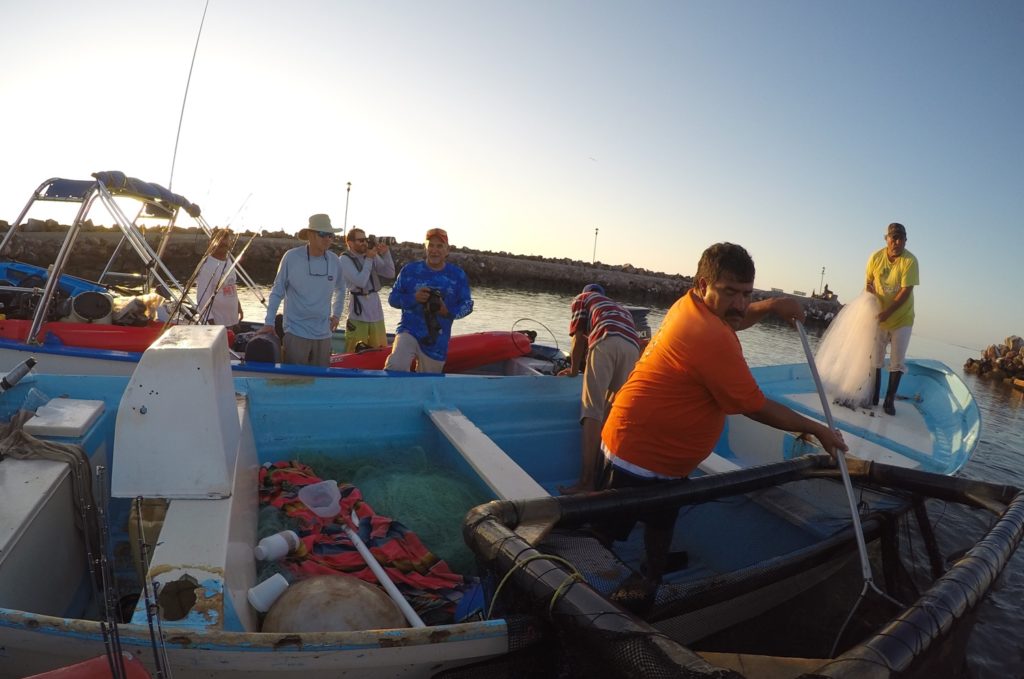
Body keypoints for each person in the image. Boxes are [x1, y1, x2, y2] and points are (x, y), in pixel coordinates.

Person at [599, 242, 848, 592]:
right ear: (703, 285)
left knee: (662, 517)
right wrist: (815, 428)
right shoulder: (711, 337)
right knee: (602, 535)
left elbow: (737, 316)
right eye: (730, 292)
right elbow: (754, 405)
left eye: (747, 293)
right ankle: (592, 593)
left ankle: (651, 573)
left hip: (663, 458)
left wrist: (773, 304)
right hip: (637, 453)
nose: (740, 304)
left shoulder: (693, 306)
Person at [558, 283, 641, 494]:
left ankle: (586, 481)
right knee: (613, 414)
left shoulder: (582, 298)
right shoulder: (620, 308)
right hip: (633, 349)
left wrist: (574, 370)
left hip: (606, 339)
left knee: (592, 410)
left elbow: (578, 339)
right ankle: (605, 481)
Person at [258, 214, 345, 367]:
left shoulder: (334, 261)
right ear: (310, 235)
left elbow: (341, 289)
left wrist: (336, 315)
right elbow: (277, 291)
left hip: (324, 334)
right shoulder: (291, 258)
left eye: (330, 235)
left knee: (320, 383)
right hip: (296, 332)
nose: (328, 239)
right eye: (323, 234)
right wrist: (269, 322)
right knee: (294, 384)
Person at [384, 228, 473, 373]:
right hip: (409, 330)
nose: (434, 250)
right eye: (431, 245)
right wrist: (414, 298)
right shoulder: (410, 270)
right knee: (396, 366)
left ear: (447, 250)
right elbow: (393, 299)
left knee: (428, 382)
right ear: (425, 247)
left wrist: (447, 311)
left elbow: (467, 305)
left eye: (439, 246)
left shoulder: (457, 275)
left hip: (437, 339)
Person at [865, 222, 919, 415]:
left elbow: (906, 291)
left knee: (897, 361)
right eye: (893, 238)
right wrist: (871, 296)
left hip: (901, 319)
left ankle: (889, 400)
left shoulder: (910, 261)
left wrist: (887, 313)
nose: (896, 242)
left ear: (905, 240)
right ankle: (873, 395)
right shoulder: (876, 257)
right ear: (886, 239)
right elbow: (869, 282)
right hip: (879, 316)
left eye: (900, 239)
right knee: (876, 357)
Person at [338, 227, 396, 352]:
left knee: (379, 349)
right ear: (350, 243)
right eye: (360, 240)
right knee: (355, 352)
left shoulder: (370, 255)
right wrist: (369, 259)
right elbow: (361, 282)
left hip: (376, 313)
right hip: (358, 315)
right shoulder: (344, 260)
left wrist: (386, 253)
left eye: (365, 239)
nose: (365, 243)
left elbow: (390, 273)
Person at [195, 229, 242, 327]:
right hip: (216, 323)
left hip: (231, 320)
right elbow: (202, 297)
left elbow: (231, 285)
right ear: (211, 243)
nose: (223, 246)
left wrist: (238, 306)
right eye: (220, 244)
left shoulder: (229, 260)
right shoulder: (207, 266)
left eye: (226, 243)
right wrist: (211, 322)